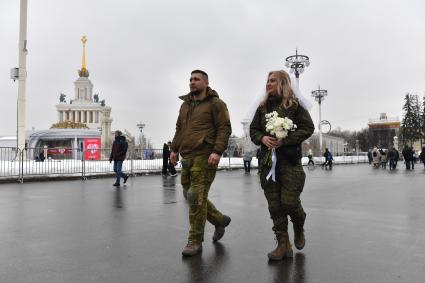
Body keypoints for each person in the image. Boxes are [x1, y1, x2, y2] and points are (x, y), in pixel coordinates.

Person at [250, 70, 314, 260]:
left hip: (289, 162)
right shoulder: (262, 107)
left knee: (289, 202)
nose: (268, 84)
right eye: (267, 81)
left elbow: (308, 128)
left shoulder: (294, 105)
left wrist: (285, 140)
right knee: (274, 206)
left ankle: (299, 224)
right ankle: (283, 244)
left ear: (283, 83)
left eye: (272, 80)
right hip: (268, 163)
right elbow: (253, 130)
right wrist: (262, 138)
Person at [170, 70, 232, 256]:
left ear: (206, 83)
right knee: (189, 195)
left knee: (196, 196)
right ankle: (219, 220)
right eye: (190, 79)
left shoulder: (216, 104)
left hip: (205, 156)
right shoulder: (185, 105)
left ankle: (195, 240)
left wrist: (217, 151)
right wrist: (174, 149)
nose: (192, 82)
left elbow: (224, 128)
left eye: (196, 79)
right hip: (186, 156)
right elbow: (180, 129)